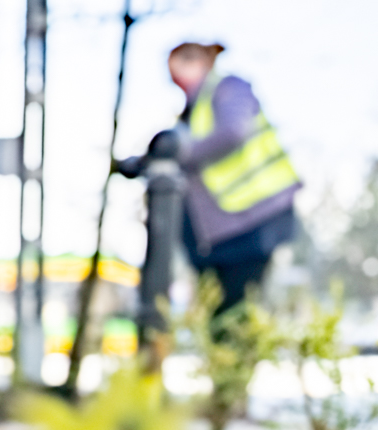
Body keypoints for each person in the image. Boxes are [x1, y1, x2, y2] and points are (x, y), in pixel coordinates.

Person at [118, 42, 300, 322]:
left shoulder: (228, 89)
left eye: (177, 72)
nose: (175, 82)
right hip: (219, 236)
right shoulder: (192, 110)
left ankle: (233, 364)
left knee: (234, 313)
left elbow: (232, 132)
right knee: (218, 314)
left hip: (250, 221)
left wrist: (180, 154)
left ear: (198, 63)